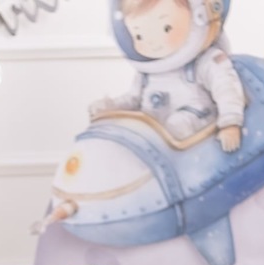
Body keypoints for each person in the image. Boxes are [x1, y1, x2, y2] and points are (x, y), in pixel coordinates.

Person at [90, 0, 244, 151]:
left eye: (166, 28)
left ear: (200, 17)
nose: (153, 43)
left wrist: (230, 123)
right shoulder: (148, 72)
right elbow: (133, 98)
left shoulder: (206, 61)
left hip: (195, 133)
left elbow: (226, 89)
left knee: (177, 124)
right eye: (139, 36)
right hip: (152, 138)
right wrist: (110, 107)